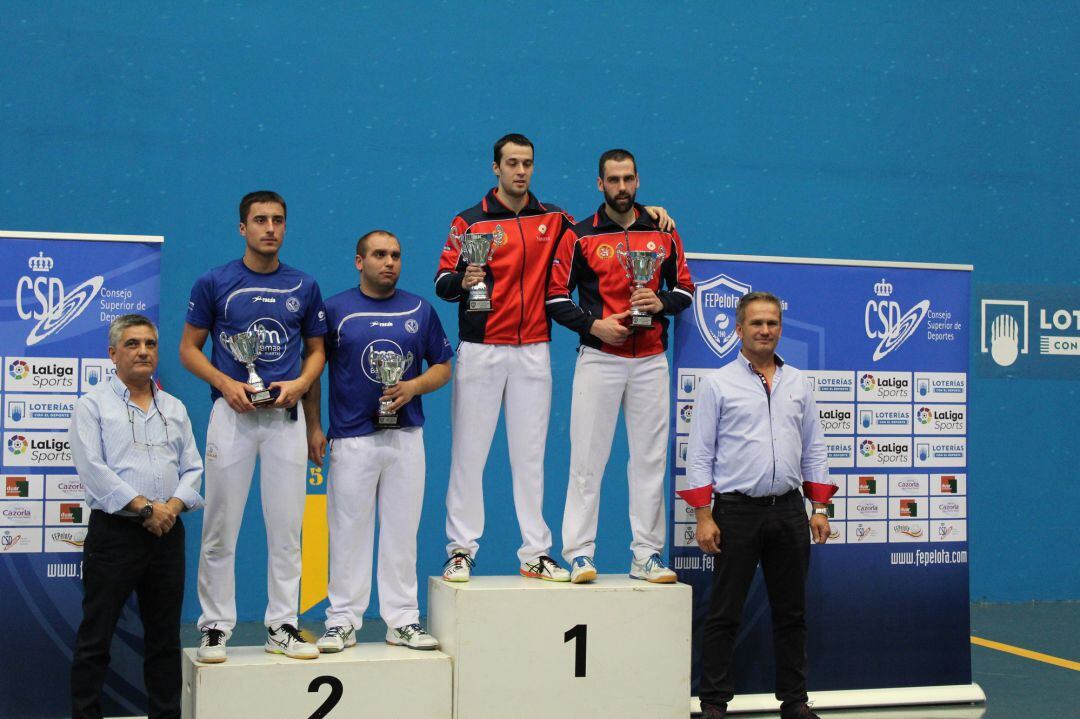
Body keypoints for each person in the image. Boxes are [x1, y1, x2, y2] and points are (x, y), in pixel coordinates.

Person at [434, 133, 675, 582]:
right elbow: (442, 282)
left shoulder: (556, 220)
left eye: (526, 163)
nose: (520, 171)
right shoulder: (468, 223)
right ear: (495, 169)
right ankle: (461, 550)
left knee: (531, 457)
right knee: (470, 454)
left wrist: (653, 211)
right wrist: (464, 281)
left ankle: (535, 552)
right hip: (481, 349)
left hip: (533, 352)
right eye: (511, 163)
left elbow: (612, 220)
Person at [181, 190, 327, 662]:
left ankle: (282, 625)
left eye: (278, 220)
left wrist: (302, 387)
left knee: (286, 529)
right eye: (260, 220)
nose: (270, 228)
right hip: (232, 419)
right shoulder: (214, 281)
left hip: (284, 421)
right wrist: (225, 383)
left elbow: (317, 352)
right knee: (221, 526)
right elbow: (188, 349)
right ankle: (215, 628)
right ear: (242, 228)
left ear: (285, 227)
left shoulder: (304, 285)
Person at [679, 292, 836, 719]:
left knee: (792, 614)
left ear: (780, 328)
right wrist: (704, 515)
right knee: (724, 614)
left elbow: (814, 447)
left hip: (788, 512)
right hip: (736, 513)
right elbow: (699, 454)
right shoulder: (717, 384)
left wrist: (818, 507)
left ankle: (794, 702)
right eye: (756, 323)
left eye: (771, 323)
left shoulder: (799, 383)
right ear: (738, 329)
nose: (765, 330)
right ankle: (713, 703)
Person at [547, 148, 694, 584]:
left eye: (629, 179)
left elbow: (685, 289)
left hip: (651, 360)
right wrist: (594, 326)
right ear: (599, 184)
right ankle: (578, 553)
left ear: (638, 180)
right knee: (587, 460)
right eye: (613, 180)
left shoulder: (663, 231)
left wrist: (661, 301)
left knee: (649, 460)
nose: (622, 188)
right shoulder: (579, 235)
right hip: (599, 359)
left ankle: (646, 555)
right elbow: (555, 296)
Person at [303, 230, 452, 652]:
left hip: (406, 439)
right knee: (348, 532)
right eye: (380, 255)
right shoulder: (334, 310)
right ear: (359, 261)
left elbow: (443, 366)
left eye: (396, 255)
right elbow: (313, 372)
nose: (389, 262)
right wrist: (313, 427)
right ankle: (343, 621)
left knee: (402, 533)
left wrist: (413, 386)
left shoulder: (420, 310)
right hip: (352, 440)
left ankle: (402, 620)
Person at [69, 315, 204, 719]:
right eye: (132, 344)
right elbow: (93, 470)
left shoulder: (174, 408)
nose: (143, 351)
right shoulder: (92, 406)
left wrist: (171, 508)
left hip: (167, 533)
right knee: (96, 639)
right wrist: (145, 507)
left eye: (149, 344)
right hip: (116, 535)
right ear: (113, 354)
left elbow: (194, 467)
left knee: (164, 642)